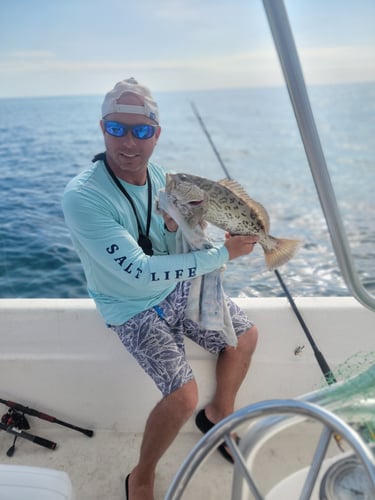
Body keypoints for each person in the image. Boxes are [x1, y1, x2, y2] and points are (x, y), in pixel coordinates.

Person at [62, 77, 259, 500]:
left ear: (156, 134)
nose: (128, 142)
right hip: (130, 304)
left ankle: (218, 415)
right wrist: (225, 255)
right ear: (102, 128)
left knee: (245, 336)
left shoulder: (158, 176)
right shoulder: (83, 197)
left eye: (141, 131)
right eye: (117, 128)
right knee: (182, 395)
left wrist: (176, 226)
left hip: (175, 286)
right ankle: (143, 476)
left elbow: (172, 245)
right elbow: (138, 271)